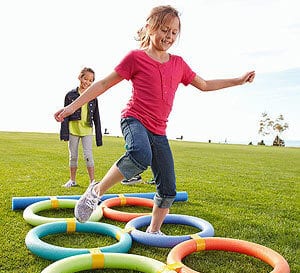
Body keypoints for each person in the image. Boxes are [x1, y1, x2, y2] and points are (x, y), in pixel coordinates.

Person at [54, 5, 255, 233]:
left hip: (159, 130)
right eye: (164, 30)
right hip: (134, 119)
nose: (169, 36)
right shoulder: (135, 58)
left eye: (173, 32)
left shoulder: (178, 64)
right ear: (149, 28)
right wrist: (71, 107)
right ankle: (96, 192)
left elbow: (206, 84)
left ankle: (153, 230)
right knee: (141, 154)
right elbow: (102, 84)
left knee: (168, 188)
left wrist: (238, 80)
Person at [60, 67, 102, 187]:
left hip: (87, 130)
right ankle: (72, 180)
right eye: (85, 79)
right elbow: (65, 115)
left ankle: (92, 182)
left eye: (90, 81)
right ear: (80, 77)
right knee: (73, 156)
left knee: (88, 155)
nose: (87, 82)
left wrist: (99, 137)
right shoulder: (70, 95)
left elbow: (97, 117)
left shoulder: (93, 97)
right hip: (73, 129)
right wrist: (64, 133)